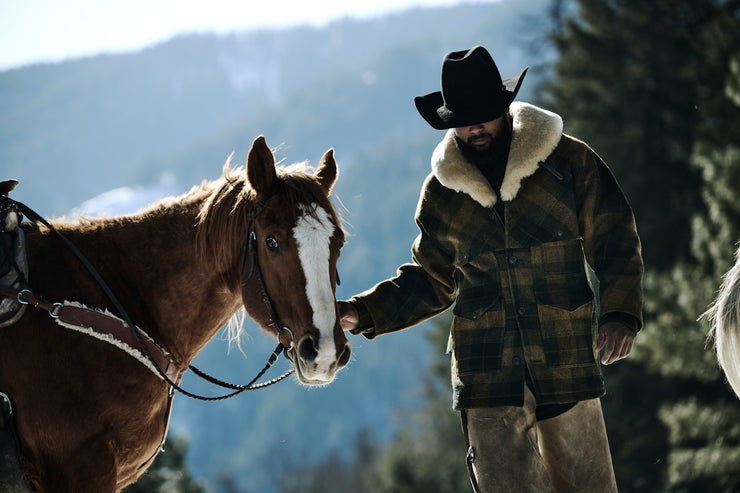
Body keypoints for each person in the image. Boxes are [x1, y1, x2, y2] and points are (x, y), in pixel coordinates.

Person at [338, 46, 643, 492]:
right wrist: (361, 312)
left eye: (483, 114)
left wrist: (620, 313)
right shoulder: (442, 193)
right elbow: (431, 279)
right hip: (486, 375)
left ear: (504, 109)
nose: (474, 126)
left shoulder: (567, 163)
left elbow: (614, 235)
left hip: (565, 359)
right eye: (463, 118)